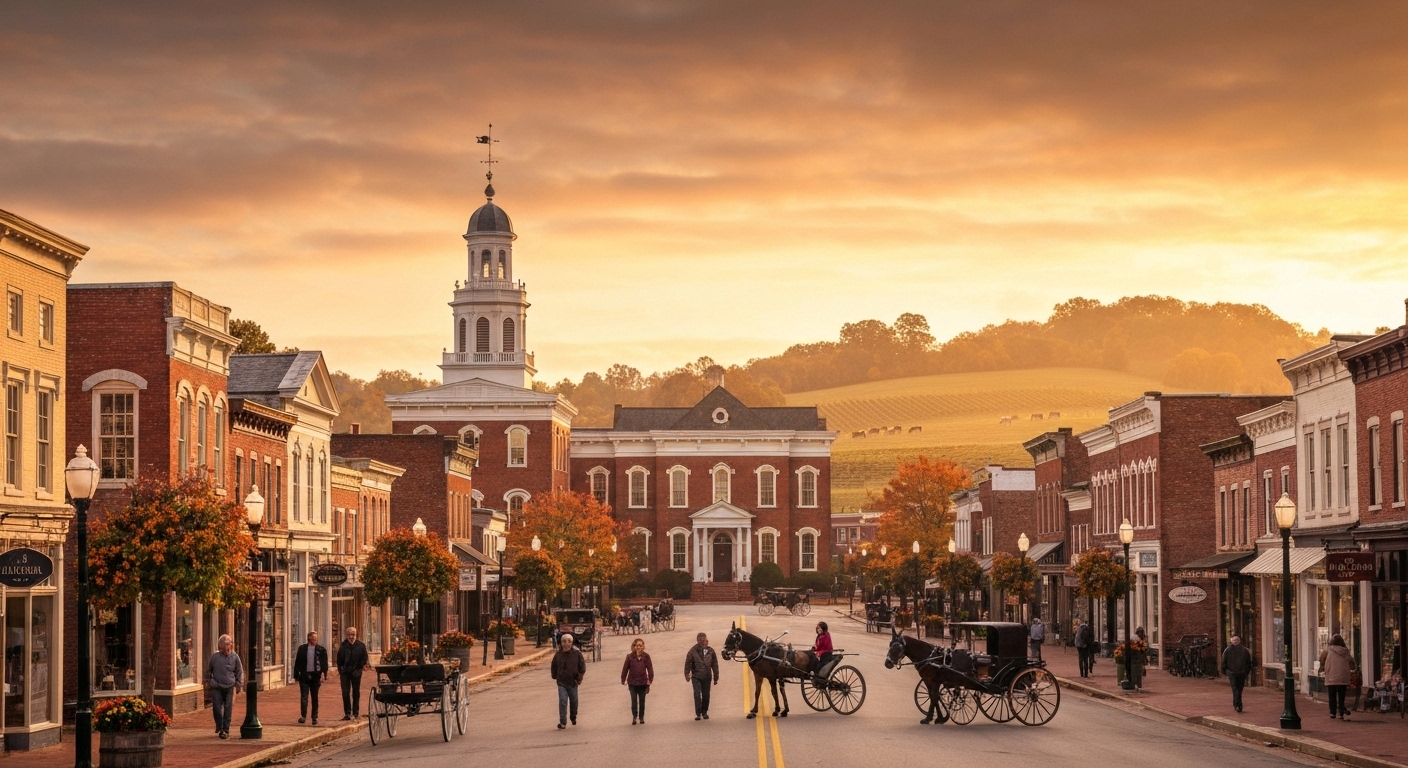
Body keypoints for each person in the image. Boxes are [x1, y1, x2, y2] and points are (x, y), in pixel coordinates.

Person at [206, 634, 244, 739]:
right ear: (220, 647)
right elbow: (209, 670)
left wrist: (239, 683)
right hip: (217, 686)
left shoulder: (235, 657)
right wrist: (210, 682)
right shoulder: (215, 657)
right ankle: (219, 725)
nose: (226, 649)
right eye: (224, 647)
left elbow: (239, 671)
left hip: (230, 686)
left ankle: (225, 730)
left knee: (228, 708)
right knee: (217, 708)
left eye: (228, 645)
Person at [551, 633, 586, 729]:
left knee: (574, 702)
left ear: (571, 643)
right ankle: (563, 722)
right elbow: (554, 666)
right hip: (561, 682)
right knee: (562, 701)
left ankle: (573, 717)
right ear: (561, 643)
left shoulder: (577, 653)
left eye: (569, 641)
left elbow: (582, 667)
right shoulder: (558, 654)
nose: (566, 643)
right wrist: (555, 676)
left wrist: (578, 678)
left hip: (573, 683)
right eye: (564, 641)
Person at [293, 630, 329, 725]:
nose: (314, 640)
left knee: (315, 697)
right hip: (304, 675)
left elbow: (324, 663)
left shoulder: (321, 650)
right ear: (308, 638)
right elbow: (298, 662)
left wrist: (324, 674)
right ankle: (303, 716)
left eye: (315, 638)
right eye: (312, 638)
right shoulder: (302, 649)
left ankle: (314, 717)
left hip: (315, 676)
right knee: (304, 697)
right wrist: (296, 675)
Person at [1319, 634, 1356, 720]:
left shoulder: (1327, 651)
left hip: (1331, 676)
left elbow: (1322, 660)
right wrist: (1353, 668)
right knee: (1341, 696)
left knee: (1332, 695)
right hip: (1343, 677)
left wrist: (1322, 669)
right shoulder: (1345, 651)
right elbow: (1351, 663)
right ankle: (1341, 713)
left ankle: (1332, 713)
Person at [336, 626, 369, 721]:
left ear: (356, 635)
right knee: (345, 693)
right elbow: (339, 659)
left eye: (353, 634)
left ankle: (355, 713)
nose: (351, 637)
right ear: (346, 635)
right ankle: (347, 713)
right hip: (345, 673)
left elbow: (364, 658)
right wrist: (341, 670)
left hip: (356, 672)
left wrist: (359, 669)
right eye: (349, 635)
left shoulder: (361, 646)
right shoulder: (343, 645)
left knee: (356, 692)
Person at [685, 632, 719, 720]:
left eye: (704, 640)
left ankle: (704, 712)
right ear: (697, 640)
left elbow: (714, 664)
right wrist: (687, 674)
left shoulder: (711, 651)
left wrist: (716, 677)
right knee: (697, 694)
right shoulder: (692, 651)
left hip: (707, 676)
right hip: (696, 676)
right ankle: (698, 713)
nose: (702, 642)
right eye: (700, 640)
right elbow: (688, 663)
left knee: (706, 695)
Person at [621, 638, 654, 725]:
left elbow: (650, 669)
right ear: (634, 646)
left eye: (640, 645)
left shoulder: (646, 657)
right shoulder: (629, 657)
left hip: (643, 682)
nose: (639, 647)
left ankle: (641, 717)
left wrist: (650, 679)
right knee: (634, 701)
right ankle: (634, 716)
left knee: (642, 701)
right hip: (632, 683)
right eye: (637, 645)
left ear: (643, 647)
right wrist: (623, 679)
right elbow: (625, 669)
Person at [1222, 635, 1253, 713]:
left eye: (1237, 640)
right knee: (1235, 688)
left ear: (1239, 641)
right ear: (1231, 641)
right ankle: (1237, 705)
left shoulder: (1244, 651)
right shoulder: (1228, 650)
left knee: (1239, 689)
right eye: (1234, 640)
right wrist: (1226, 671)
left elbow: (1248, 662)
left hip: (1241, 673)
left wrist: (1246, 672)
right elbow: (1224, 661)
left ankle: (1237, 704)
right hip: (1232, 672)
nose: (1235, 642)